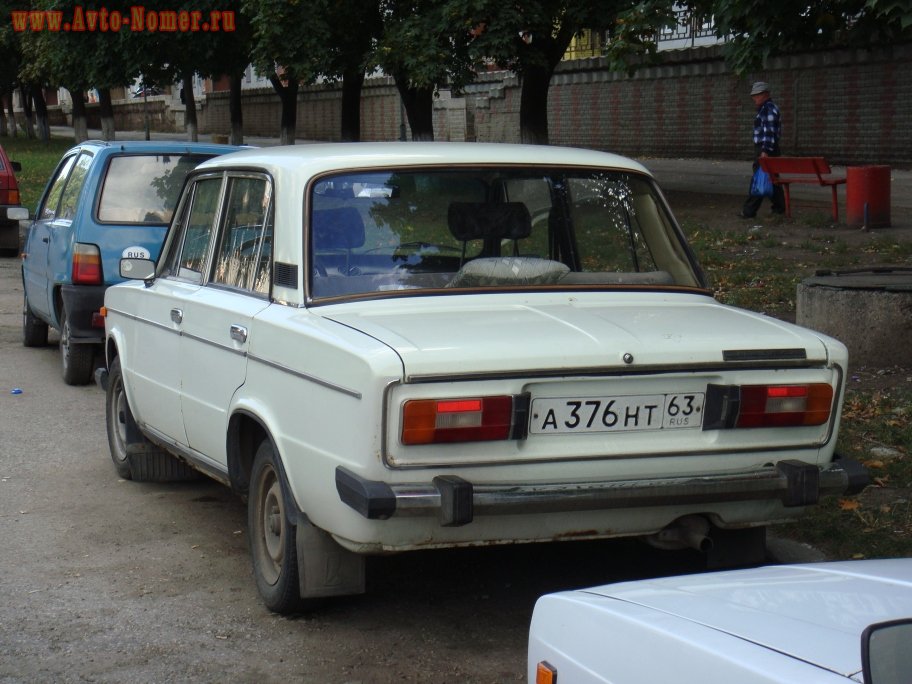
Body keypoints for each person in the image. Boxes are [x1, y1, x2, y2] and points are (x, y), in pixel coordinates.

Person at [740, 81, 786, 218]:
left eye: (757, 95)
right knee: (772, 179)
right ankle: (779, 208)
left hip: (766, 148)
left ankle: (749, 210)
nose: (754, 98)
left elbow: (769, 132)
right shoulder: (766, 108)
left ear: (766, 94)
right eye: (754, 95)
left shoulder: (768, 109)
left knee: (759, 178)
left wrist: (765, 151)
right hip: (768, 148)